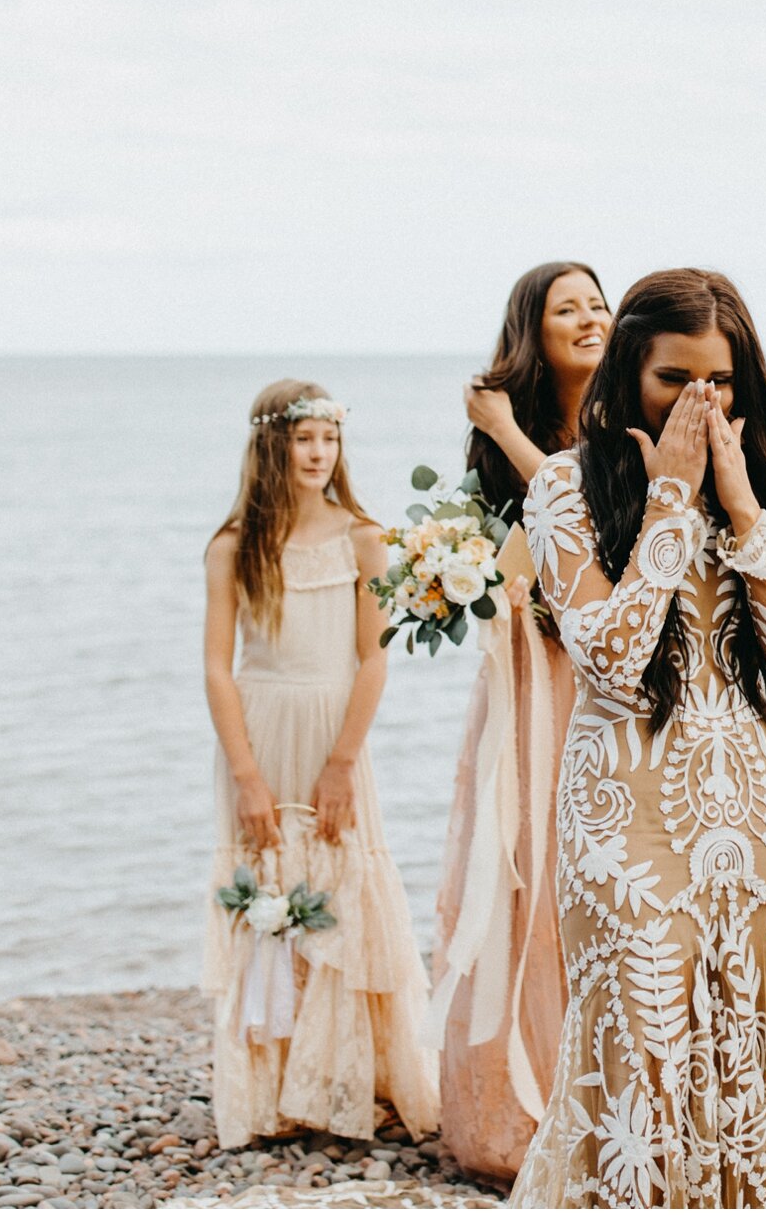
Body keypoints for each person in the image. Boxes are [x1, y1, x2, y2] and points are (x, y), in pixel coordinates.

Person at [505, 269, 766, 1208]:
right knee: (640, 1060)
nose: (700, 399)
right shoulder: (565, 487)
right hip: (623, 817)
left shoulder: (755, 487)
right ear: (625, 376)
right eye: (674, 377)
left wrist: (738, 508)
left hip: (752, 811)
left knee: (750, 1048)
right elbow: (608, 658)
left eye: (720, 381)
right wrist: (669, 505)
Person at [201, 380, 441, 1150]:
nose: (318, 454)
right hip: (262, 725)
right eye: (304, 439)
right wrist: (245, 775)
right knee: (268, 887)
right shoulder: (235, 545)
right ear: (272, 446)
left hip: (334, 729)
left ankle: (348, 1080)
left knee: (343, 887)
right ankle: (272, 1090)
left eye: (328, 440)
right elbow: (217, 667)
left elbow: (374, 659)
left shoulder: (363, 537)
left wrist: (343, 761)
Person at [431, 262, 612, 1183]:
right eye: (565, 310)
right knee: (522, 860)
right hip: (528, 672)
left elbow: (581, 521)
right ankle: (517, 1092)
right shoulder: (514, 436)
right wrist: (443, 583)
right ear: (532, 335)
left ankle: (606, 1094)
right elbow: (497, 551)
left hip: (600, 670)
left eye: (596, 303)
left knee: (587, 864)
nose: (588, 319)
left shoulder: (628, 421)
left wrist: (500, 425)